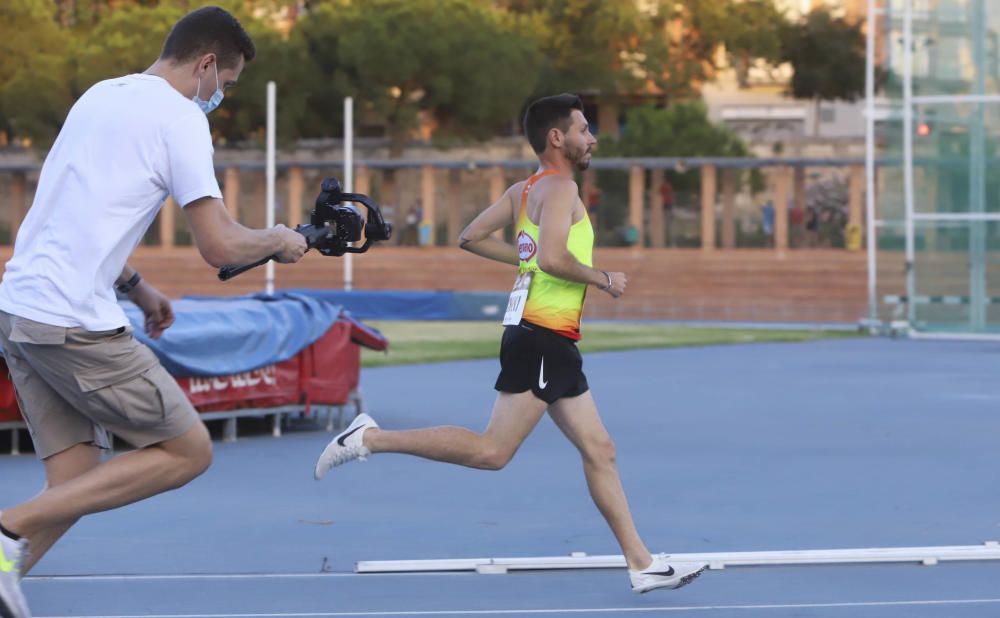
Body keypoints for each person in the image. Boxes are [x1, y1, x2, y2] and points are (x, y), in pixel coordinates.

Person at [314, 93, 707, 594]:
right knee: (492, 452)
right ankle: (369, 439)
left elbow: (471, 237)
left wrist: (528, 262)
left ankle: (641, 563)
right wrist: (603, 277)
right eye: (585, 129)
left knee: (600, 449)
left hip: (546, 335)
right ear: (557, 137)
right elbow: (555, 259)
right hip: (541, 335)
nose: (593, 138)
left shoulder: (525, 191)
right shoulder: (560, 186)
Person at [0, 7, 307, 617]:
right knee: (188, 450)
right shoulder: (180, 118)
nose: (222, 96)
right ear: (206, 64)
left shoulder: (99, 96)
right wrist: (277, 239)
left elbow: (75, 215)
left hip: (19, 311)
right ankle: (4, 531)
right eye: (227, 84)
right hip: (72, 323)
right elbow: (219, 245)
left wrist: (138, 287)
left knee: (75, 485)